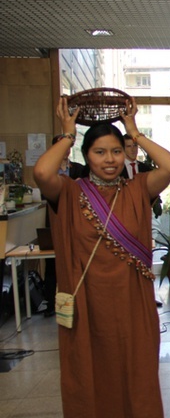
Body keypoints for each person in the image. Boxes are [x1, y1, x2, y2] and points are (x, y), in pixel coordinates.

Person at [33, 96, 170, 418]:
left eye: (115, 151)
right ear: (86, 155)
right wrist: (67, 134)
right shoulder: (68, 193)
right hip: (87, 315)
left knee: (138, 391)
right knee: (90, 392)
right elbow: (42, 174)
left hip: (132, 312)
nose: (110, 159)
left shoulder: (138, 190)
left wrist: (134, 133)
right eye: (99, 152)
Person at [42, 133, 85, 317]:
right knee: (53, 262)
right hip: (55, 216)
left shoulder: (79, 169)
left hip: (76, 218)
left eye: (68, 146)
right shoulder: (49, 171)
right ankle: (52, 304)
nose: (66, 150)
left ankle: (79, 302)